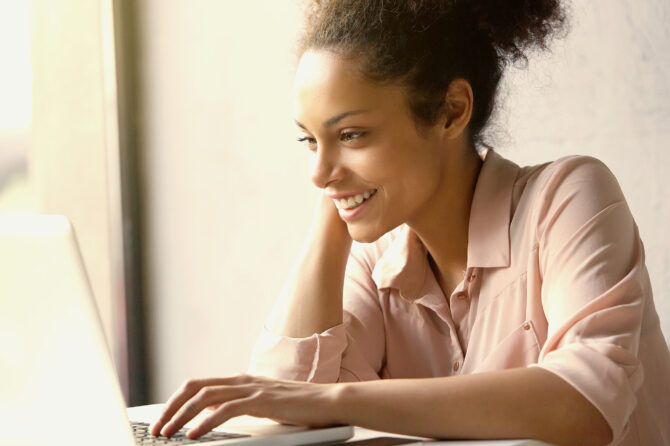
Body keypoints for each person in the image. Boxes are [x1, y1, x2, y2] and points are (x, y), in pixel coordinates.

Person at [149, 1, 670, 445]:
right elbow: (284, 414)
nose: (316, 172)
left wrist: (342, 400)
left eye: (351, 134)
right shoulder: (374, 262)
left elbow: (587, 404)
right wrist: (336, 206)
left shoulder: (567, 197)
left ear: (450, 111)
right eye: (308, 140)